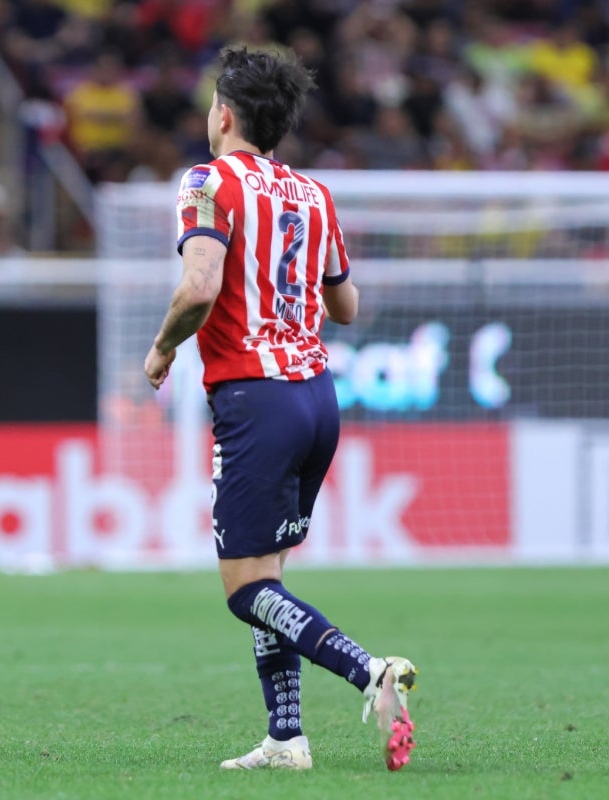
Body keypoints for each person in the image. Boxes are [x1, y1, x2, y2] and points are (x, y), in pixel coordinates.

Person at [142, 47, 418, 772]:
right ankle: (286, 738)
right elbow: (346, 306)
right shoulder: (313, 195)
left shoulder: (207, 182)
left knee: (245, 590)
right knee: (268, 579)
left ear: (224, 115)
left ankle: (369, 671)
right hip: (317, 399)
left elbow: (199, 286)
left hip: (256, 399)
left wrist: (163, 347)